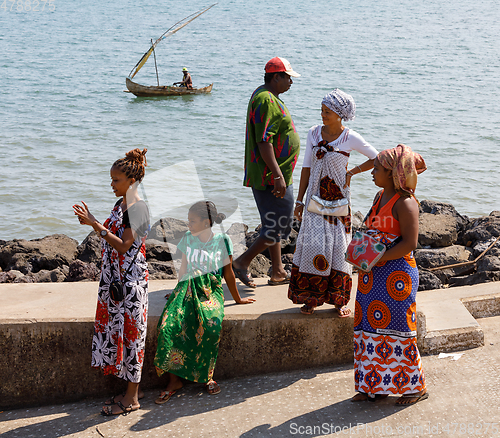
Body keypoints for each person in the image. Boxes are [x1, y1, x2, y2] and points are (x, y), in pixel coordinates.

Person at [73, 148, 150, 416]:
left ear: (131, 180)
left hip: (130, 282)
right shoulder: (121, 205)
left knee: (132, 335)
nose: (112, 184)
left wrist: (95, 224)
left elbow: (124, 245)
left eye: (116, 180)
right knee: (119, 332)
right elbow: (112, 234)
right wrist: (92, 222)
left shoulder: (137, 208)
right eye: (111, 179)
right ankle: (128, 392)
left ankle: (133, 397)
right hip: (114, 280)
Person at [153, 201, 255, 404]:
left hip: (210, 290)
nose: (188, 224)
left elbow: (228, 273)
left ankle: (207, 376)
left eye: (192, 221)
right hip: (187, 288)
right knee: (168, 325)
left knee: (210, 326)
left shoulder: (222, 240)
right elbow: (183, 268)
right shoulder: (187, 239)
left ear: (206, 222)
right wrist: (176, 291)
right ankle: (174, 381)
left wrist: (237, 299)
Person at [288, 89, 378, 316]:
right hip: (313, 202)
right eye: (322, 110)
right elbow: (306, 168)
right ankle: (310, 298)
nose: (322, 115)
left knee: (339, 247)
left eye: (327, 111)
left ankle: (339, 301)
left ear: (340, 114)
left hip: (339, 201)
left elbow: (377, 158)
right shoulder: (312, 133)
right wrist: (299, 201)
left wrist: (353, 172)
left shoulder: (350, 138)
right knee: (313, 246)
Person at [352, 144, 428, 405]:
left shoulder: (406, 203)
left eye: (377, 168)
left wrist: (376, 258)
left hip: (396, 276)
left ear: (393, 173)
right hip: (372, 275)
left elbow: (410, 244)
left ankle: (414, 388)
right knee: (369, 328)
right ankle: (375, 386)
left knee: (398, 330)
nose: (372, 172)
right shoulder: (379, 197)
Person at [232, 57, 301, 288]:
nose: (291, 81)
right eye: (287, 76)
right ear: (276, 77)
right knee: (281, 224)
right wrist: (278, 175)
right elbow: (264, 141)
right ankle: (242, 262)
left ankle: (278, 271)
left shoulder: (267, 96)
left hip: (273, 175)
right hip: (271, 177)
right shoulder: (265, 99)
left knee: (272, 223)